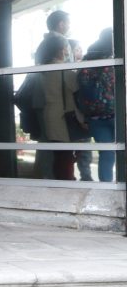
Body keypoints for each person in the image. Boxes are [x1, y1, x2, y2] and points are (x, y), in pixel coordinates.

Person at [37, 34, 80, 181]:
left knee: (58, 155)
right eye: (66, 48)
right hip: (64, 117)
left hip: (50, 114)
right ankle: (67, 183)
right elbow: (76, 87)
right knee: (66, 156)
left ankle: (60, 181)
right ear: (60, 50)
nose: (67, 51)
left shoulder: (44, 69)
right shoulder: (63, 69)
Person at [77, 29, 116, 182]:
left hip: (95, 117)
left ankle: (106, 186)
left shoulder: (87, 61)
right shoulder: (115, 60)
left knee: (106, 153)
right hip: (116, 114)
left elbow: (79, 90)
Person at [68, 38, 93, 181]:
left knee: (83, 150)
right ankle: (86, 177)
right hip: (76, 116)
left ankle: (85, 176)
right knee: (82, 150)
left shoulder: (80, 68)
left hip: (77, 115)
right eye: (77, 49)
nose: (80, 52)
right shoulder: (74, 71)